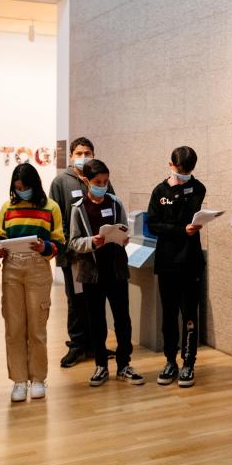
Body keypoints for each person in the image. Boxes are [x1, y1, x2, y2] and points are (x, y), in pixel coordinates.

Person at [67, 159, 144, 388]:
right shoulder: (78, 209)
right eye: (98, 182)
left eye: (106, 181)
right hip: (92, 273)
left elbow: (123, 229)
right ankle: (101, 364)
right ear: (87, 181)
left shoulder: (116, 202)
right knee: (97, 321)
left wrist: (123, 237)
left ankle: (124, 364)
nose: (103, 185)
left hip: (116, 270)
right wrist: (92, 242)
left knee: (123, 320)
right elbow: (73, 241)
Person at [0, 163, 64, 403]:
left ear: (34, 185)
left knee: (37, 326)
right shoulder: (7, 208)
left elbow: (59, 243)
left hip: (38, 268)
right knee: (14, 327)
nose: (20, 191)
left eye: (24, 187)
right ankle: (18, 380)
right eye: (17, 187)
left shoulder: (51, 207)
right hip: (12, 267)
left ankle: (38, 378)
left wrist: (45, 247)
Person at [49, 137, 116, 368]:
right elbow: (56, 219)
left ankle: (96, 344)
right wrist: (69, 247)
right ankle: (77, 345)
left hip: (100, 254)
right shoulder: (60, 182)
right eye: (79, 153)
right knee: (76, 302)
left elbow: (112, 206)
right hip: (75, 255)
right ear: (71, 156)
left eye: (87, 152)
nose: (83, 156)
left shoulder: (101, 179)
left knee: (96, 302)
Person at [147, 146, 207, 389]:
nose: (184, 175)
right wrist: (180, 230)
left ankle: (188, 362)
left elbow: (192, 215)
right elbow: (153, 224)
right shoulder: (159, 191)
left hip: (190, 261)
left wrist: (189, 225)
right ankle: (170, 360)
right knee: (169, 314)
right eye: (180, 170)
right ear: (170, 164)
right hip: (167, 262)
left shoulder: (198, 188)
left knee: (189, 314)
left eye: (188, 171)